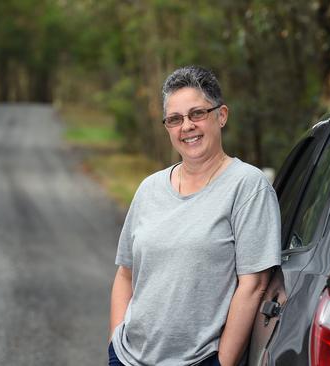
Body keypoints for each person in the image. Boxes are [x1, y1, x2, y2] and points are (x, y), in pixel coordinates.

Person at [108, 66, 281, 366]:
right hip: (129, 358)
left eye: (197, 113)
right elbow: (125, 274)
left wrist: (222, 362)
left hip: (199, 360)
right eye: (175, 119)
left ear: (221, 115)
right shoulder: (149, 189)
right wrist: (115, 343)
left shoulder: (248, 187)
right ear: (167, 128)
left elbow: (253, 286)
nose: (186, 126)